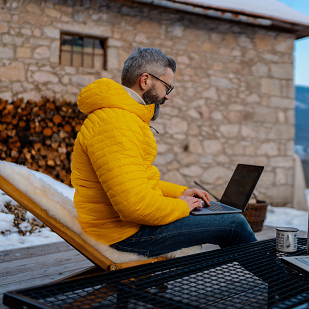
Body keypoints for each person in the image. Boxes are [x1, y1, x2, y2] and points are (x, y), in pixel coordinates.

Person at [71, 47, 256, 257]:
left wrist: (180, 193)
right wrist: (180, 206)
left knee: (220, 213)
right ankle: (280, 283)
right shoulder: (116, 124)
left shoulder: (124, 118)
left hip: (126, 227)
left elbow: (136, 182)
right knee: (235, 224)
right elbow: (134, 206)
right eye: (166, 87)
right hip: (122, 236)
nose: (167, 97)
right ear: (145, 81)